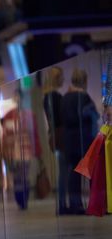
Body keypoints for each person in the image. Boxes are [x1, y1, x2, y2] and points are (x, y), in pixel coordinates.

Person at [61, 69, 98, 214]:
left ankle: (75, 204)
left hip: (70, 141)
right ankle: (94, 203)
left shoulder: (65, 98)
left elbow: (64, 119)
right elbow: (91, 117)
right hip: (84, 139)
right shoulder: (84, 97)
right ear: (84, 81)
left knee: (73, 174)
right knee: (91, 172)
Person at [42, 67, 68, 214]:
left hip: (54, 135)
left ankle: (62, 203)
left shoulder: (47, 97)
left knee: (62, 170)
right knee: (64, 171)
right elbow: (60, 118)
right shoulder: (55, 97)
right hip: (60, 136)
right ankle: (62, 203)